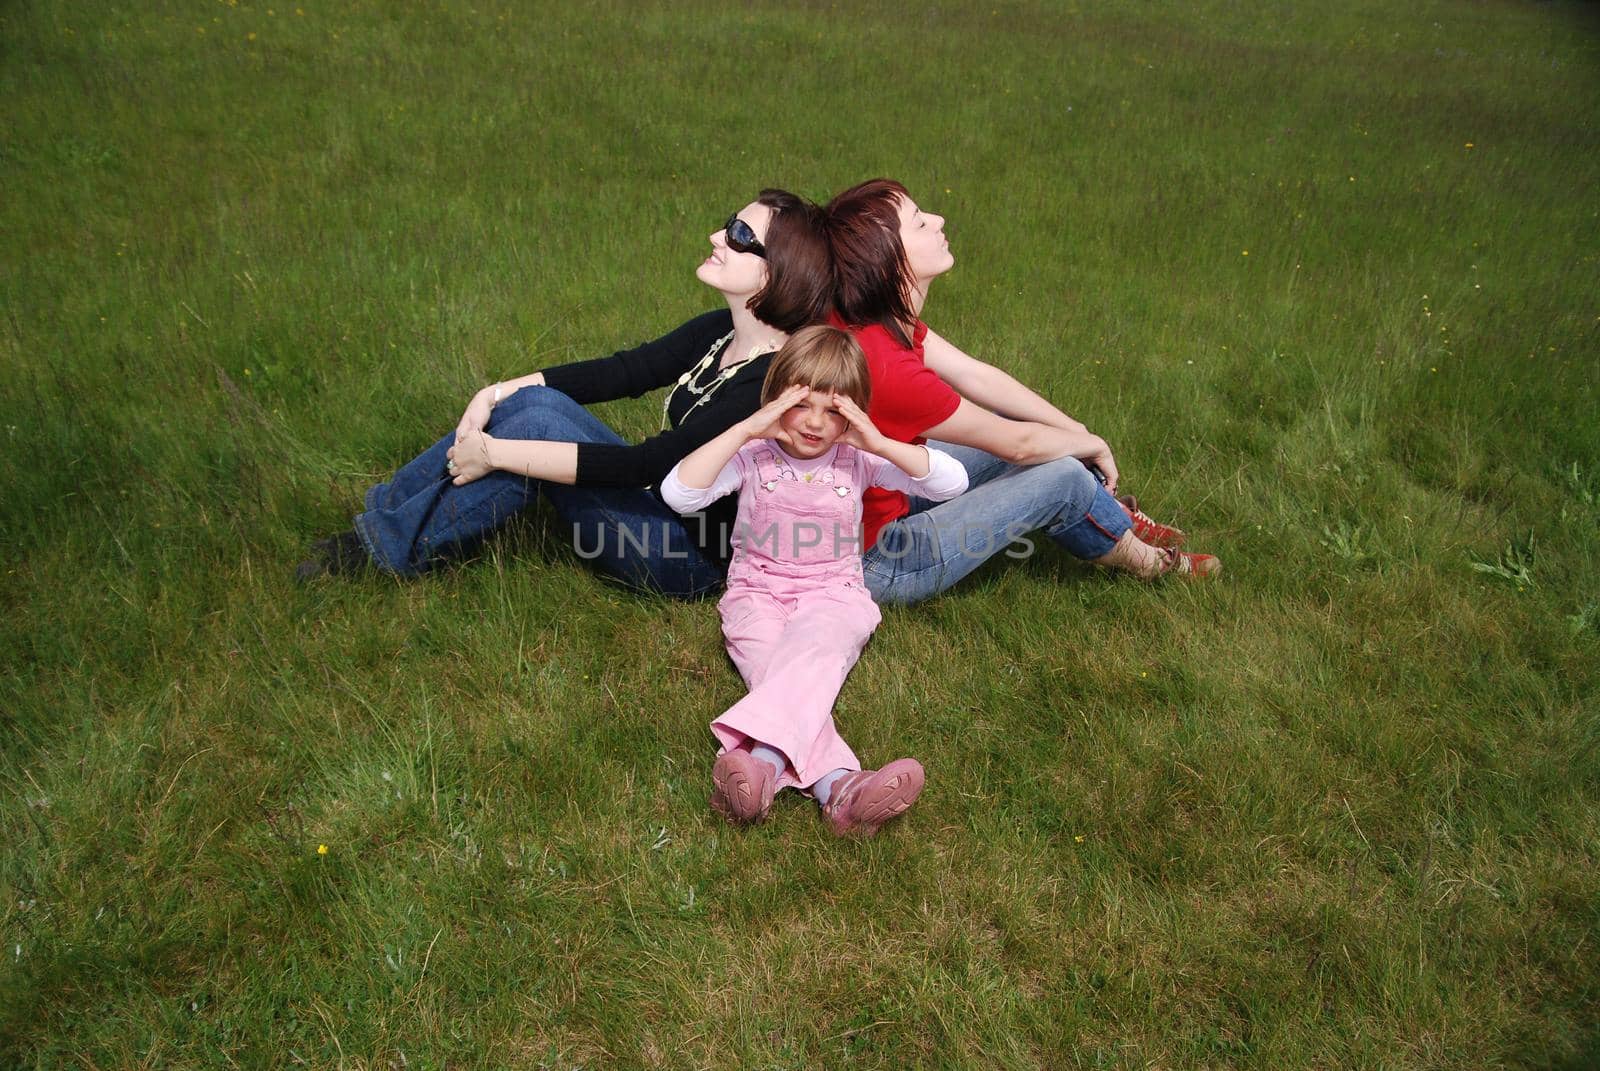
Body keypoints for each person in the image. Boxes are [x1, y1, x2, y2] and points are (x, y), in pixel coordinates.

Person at [295, 190, 834, 596]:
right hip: (655, 512)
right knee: (534, 404)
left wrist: (495, 453)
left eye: (740, 236)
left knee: (537, 425)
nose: (718, 237)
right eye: (727, 225)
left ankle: (381, 552)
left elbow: (644, 467)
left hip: (686, 559)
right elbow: (621, 372)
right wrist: (496, 391)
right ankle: (386, 513)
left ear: (776, 276)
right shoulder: (721, 329)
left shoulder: (769, 383)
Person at [823, 179, 1220, 606]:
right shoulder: (885, 366)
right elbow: (1020, 445)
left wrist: (1074, 429)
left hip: (891, 495)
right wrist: (1090, 444)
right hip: (879, 561)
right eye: (919, 223)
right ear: (888, 264)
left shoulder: (868, 315)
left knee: (1050, 438)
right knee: (1061, 474)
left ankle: (1111, 517)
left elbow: (976, 376)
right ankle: (1150, 562)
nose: (939, 221)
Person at [660, 326, 968, 835]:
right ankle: (842, 790)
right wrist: (745, 429)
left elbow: (950, 483)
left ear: (853, 413)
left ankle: (761, 764)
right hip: (755, 595)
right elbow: (680, 494)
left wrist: (879, 441)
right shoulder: (753, 456)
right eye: (802, 404)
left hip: (833, 594)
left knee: (812, 654)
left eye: (834, 411)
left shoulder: (859, 460)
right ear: (776, 397)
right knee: (782, 678)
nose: (816, 423)